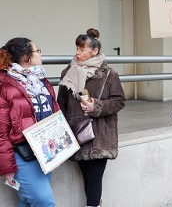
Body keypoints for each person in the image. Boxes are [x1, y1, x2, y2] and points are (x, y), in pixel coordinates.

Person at [57, 28, 125, 207]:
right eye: (77, 49)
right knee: (87, 176)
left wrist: (96, 106)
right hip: (77, 132)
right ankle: (96, 203)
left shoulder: (109, 74)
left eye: (82, 49)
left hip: (101, 134)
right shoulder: (68, 73)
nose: (77, 53)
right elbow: (61, 104)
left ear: (95, 51)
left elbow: (119, 101)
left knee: (95, 177)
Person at [0, 37, 60, 206]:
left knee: (28, 202)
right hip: (21, 153)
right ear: (26, 57)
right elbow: (1, 130)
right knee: (44, 201)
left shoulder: (41, 80)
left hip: (45, 151)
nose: (40, 54)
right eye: (37, 50)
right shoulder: (5, 86)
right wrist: (7, 167)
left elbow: (54, 110)